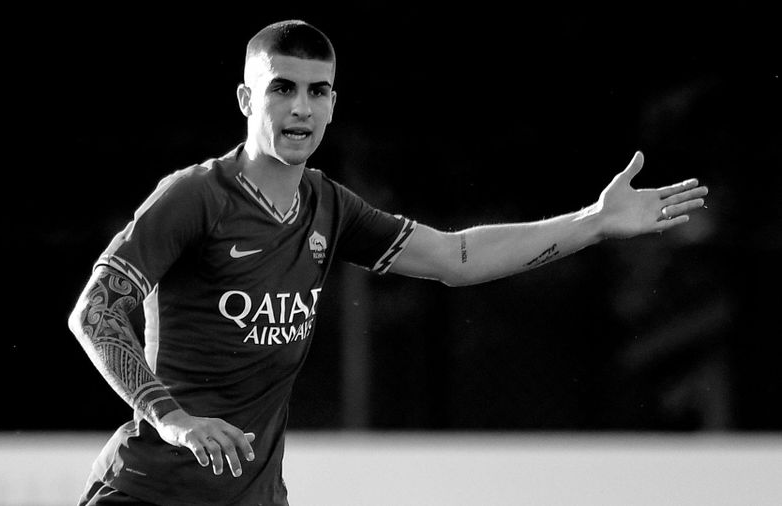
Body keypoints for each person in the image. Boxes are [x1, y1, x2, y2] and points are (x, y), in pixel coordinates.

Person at [68, 19, 708, 506]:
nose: (301, 107)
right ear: (245, 98)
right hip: (148, 492)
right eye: (282, 88)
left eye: (317, 91)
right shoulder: (195, 196)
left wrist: (593, 222)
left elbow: (455, 257)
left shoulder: (328, 205)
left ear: (333, 103)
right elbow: (94, 312)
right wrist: (173, 421)